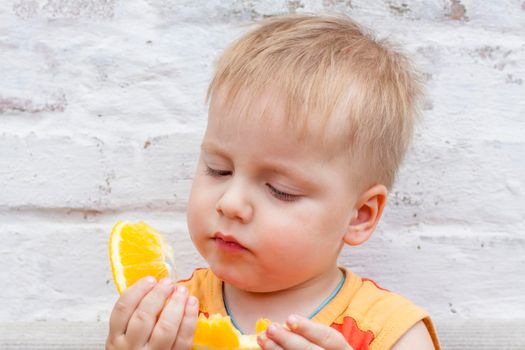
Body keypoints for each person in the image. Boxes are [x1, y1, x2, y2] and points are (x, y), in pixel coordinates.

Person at [106, 13, 441, 350]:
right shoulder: (169, 317)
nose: (231, 203)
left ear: (359, 215)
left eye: (281, 191)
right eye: (219, 170)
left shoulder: (390, 333)